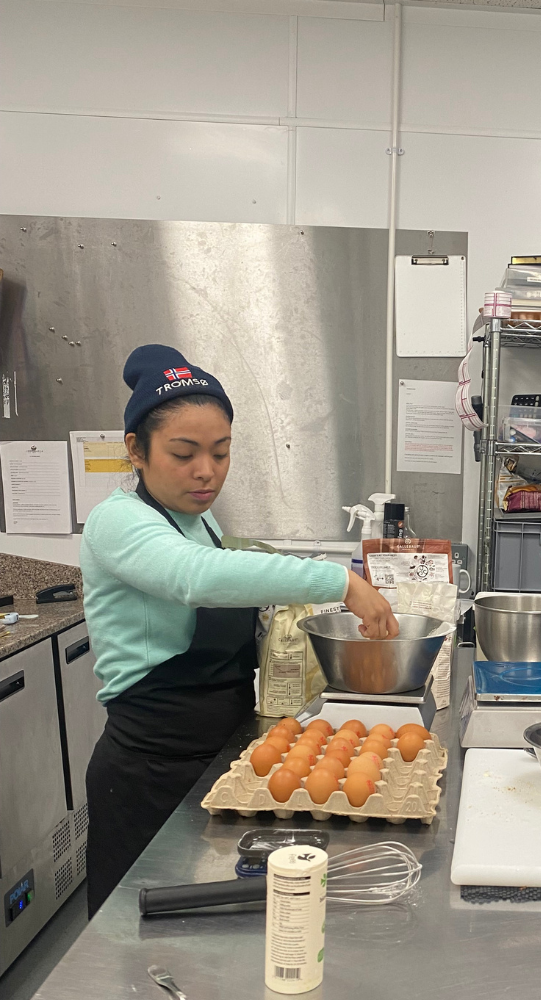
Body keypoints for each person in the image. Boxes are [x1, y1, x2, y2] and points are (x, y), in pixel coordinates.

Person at [82, 344, 398, 917]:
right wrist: (340, 583)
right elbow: (195, 577)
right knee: (132, 934)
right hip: (150, 765)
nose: (207, 471)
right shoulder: (117, 520)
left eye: (221, 453)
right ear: (136, 449)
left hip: (215, 753)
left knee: (204, 926)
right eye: (184, 453)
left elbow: (229, 581)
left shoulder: (198, 519)